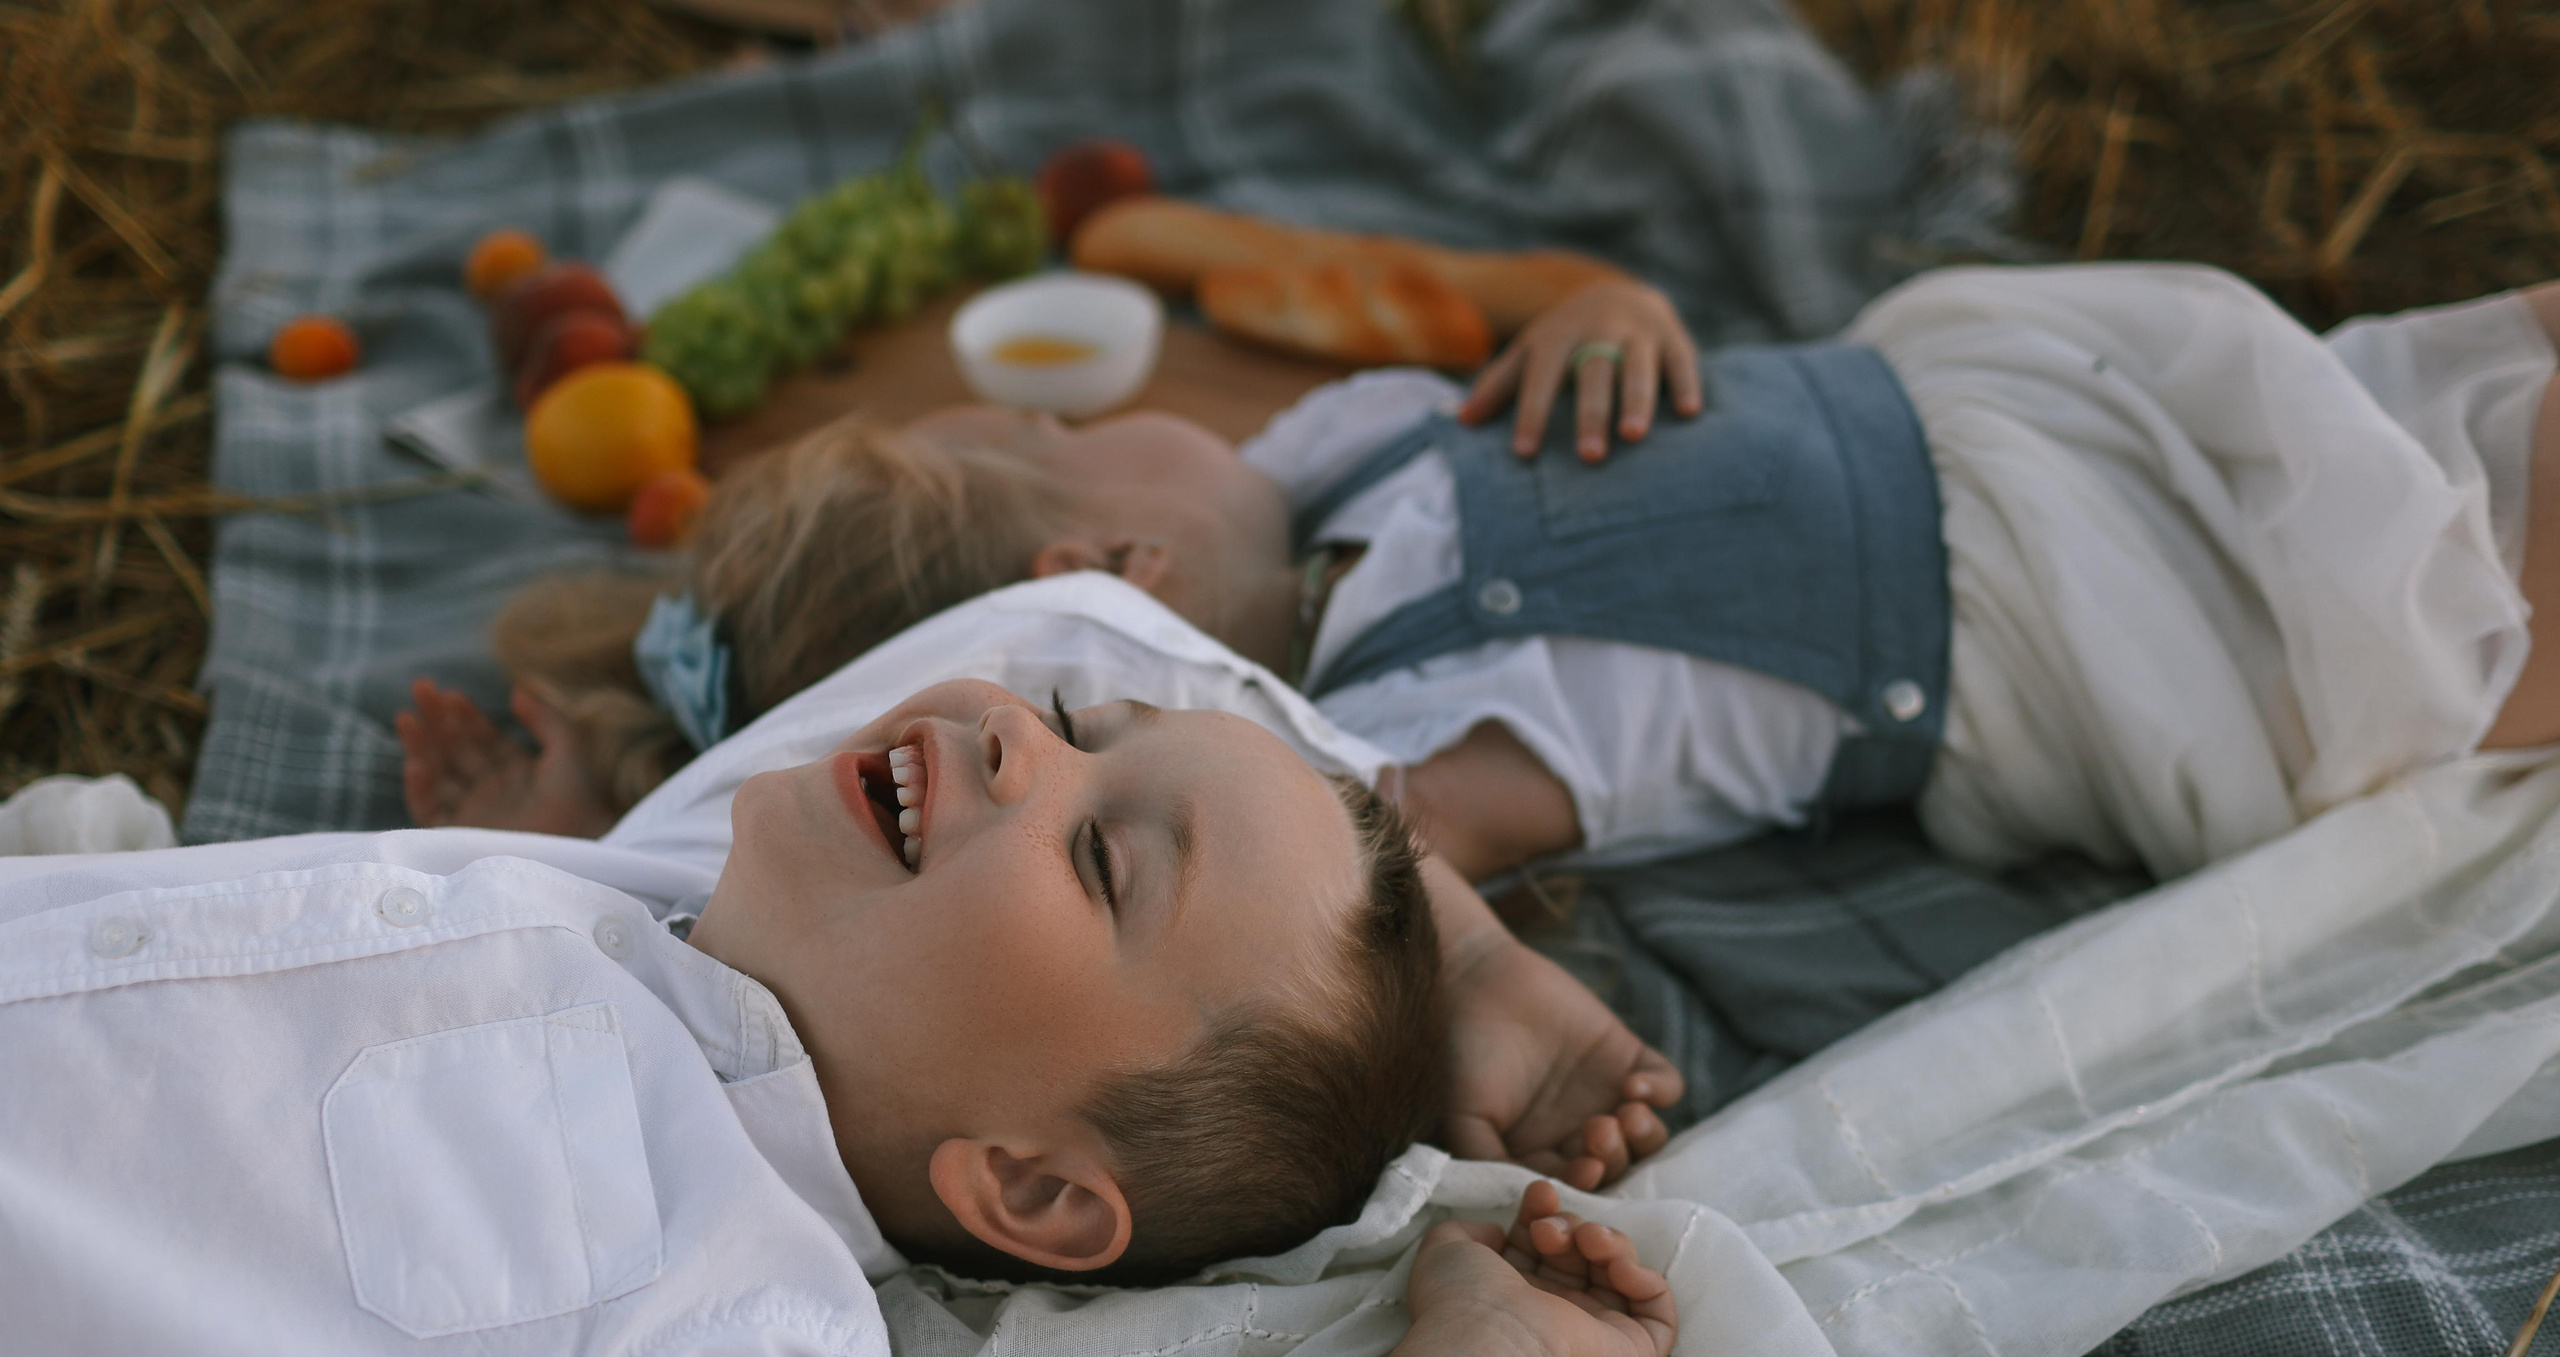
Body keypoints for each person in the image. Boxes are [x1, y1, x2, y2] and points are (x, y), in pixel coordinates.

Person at [0, 676, 1678, 1357]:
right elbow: (1097, 612)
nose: (1030, 735)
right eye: (1082, 729)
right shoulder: (672, 879)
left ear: (1025, 1186)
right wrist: (1462, 938)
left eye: (1104, 858)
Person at [407, 262, 2560, 904]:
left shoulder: (1336, 451)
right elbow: (1377, 889)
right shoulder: (1380, 740)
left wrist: (1604, 306)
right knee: (2460, 615)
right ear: (1109, 564)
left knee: (2431, 387)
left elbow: (1550, 325)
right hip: (2059, 629)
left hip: (2028, 421)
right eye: (1075, 431)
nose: (1143, 400)